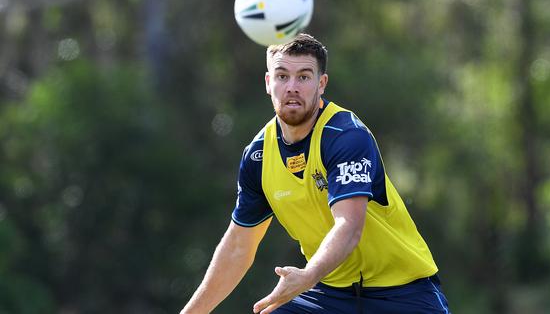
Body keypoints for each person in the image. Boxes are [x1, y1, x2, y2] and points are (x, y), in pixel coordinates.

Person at [181, 34, 451, 314]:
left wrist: (307, 276)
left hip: (403, 292)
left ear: (321, 84)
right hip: (329, 294)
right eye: (282, 76)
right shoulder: (258, 156)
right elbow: (239, 246)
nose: (292, 87)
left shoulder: (346, 136)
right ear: (268, 83)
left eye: (304, 77)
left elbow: (349, 227)